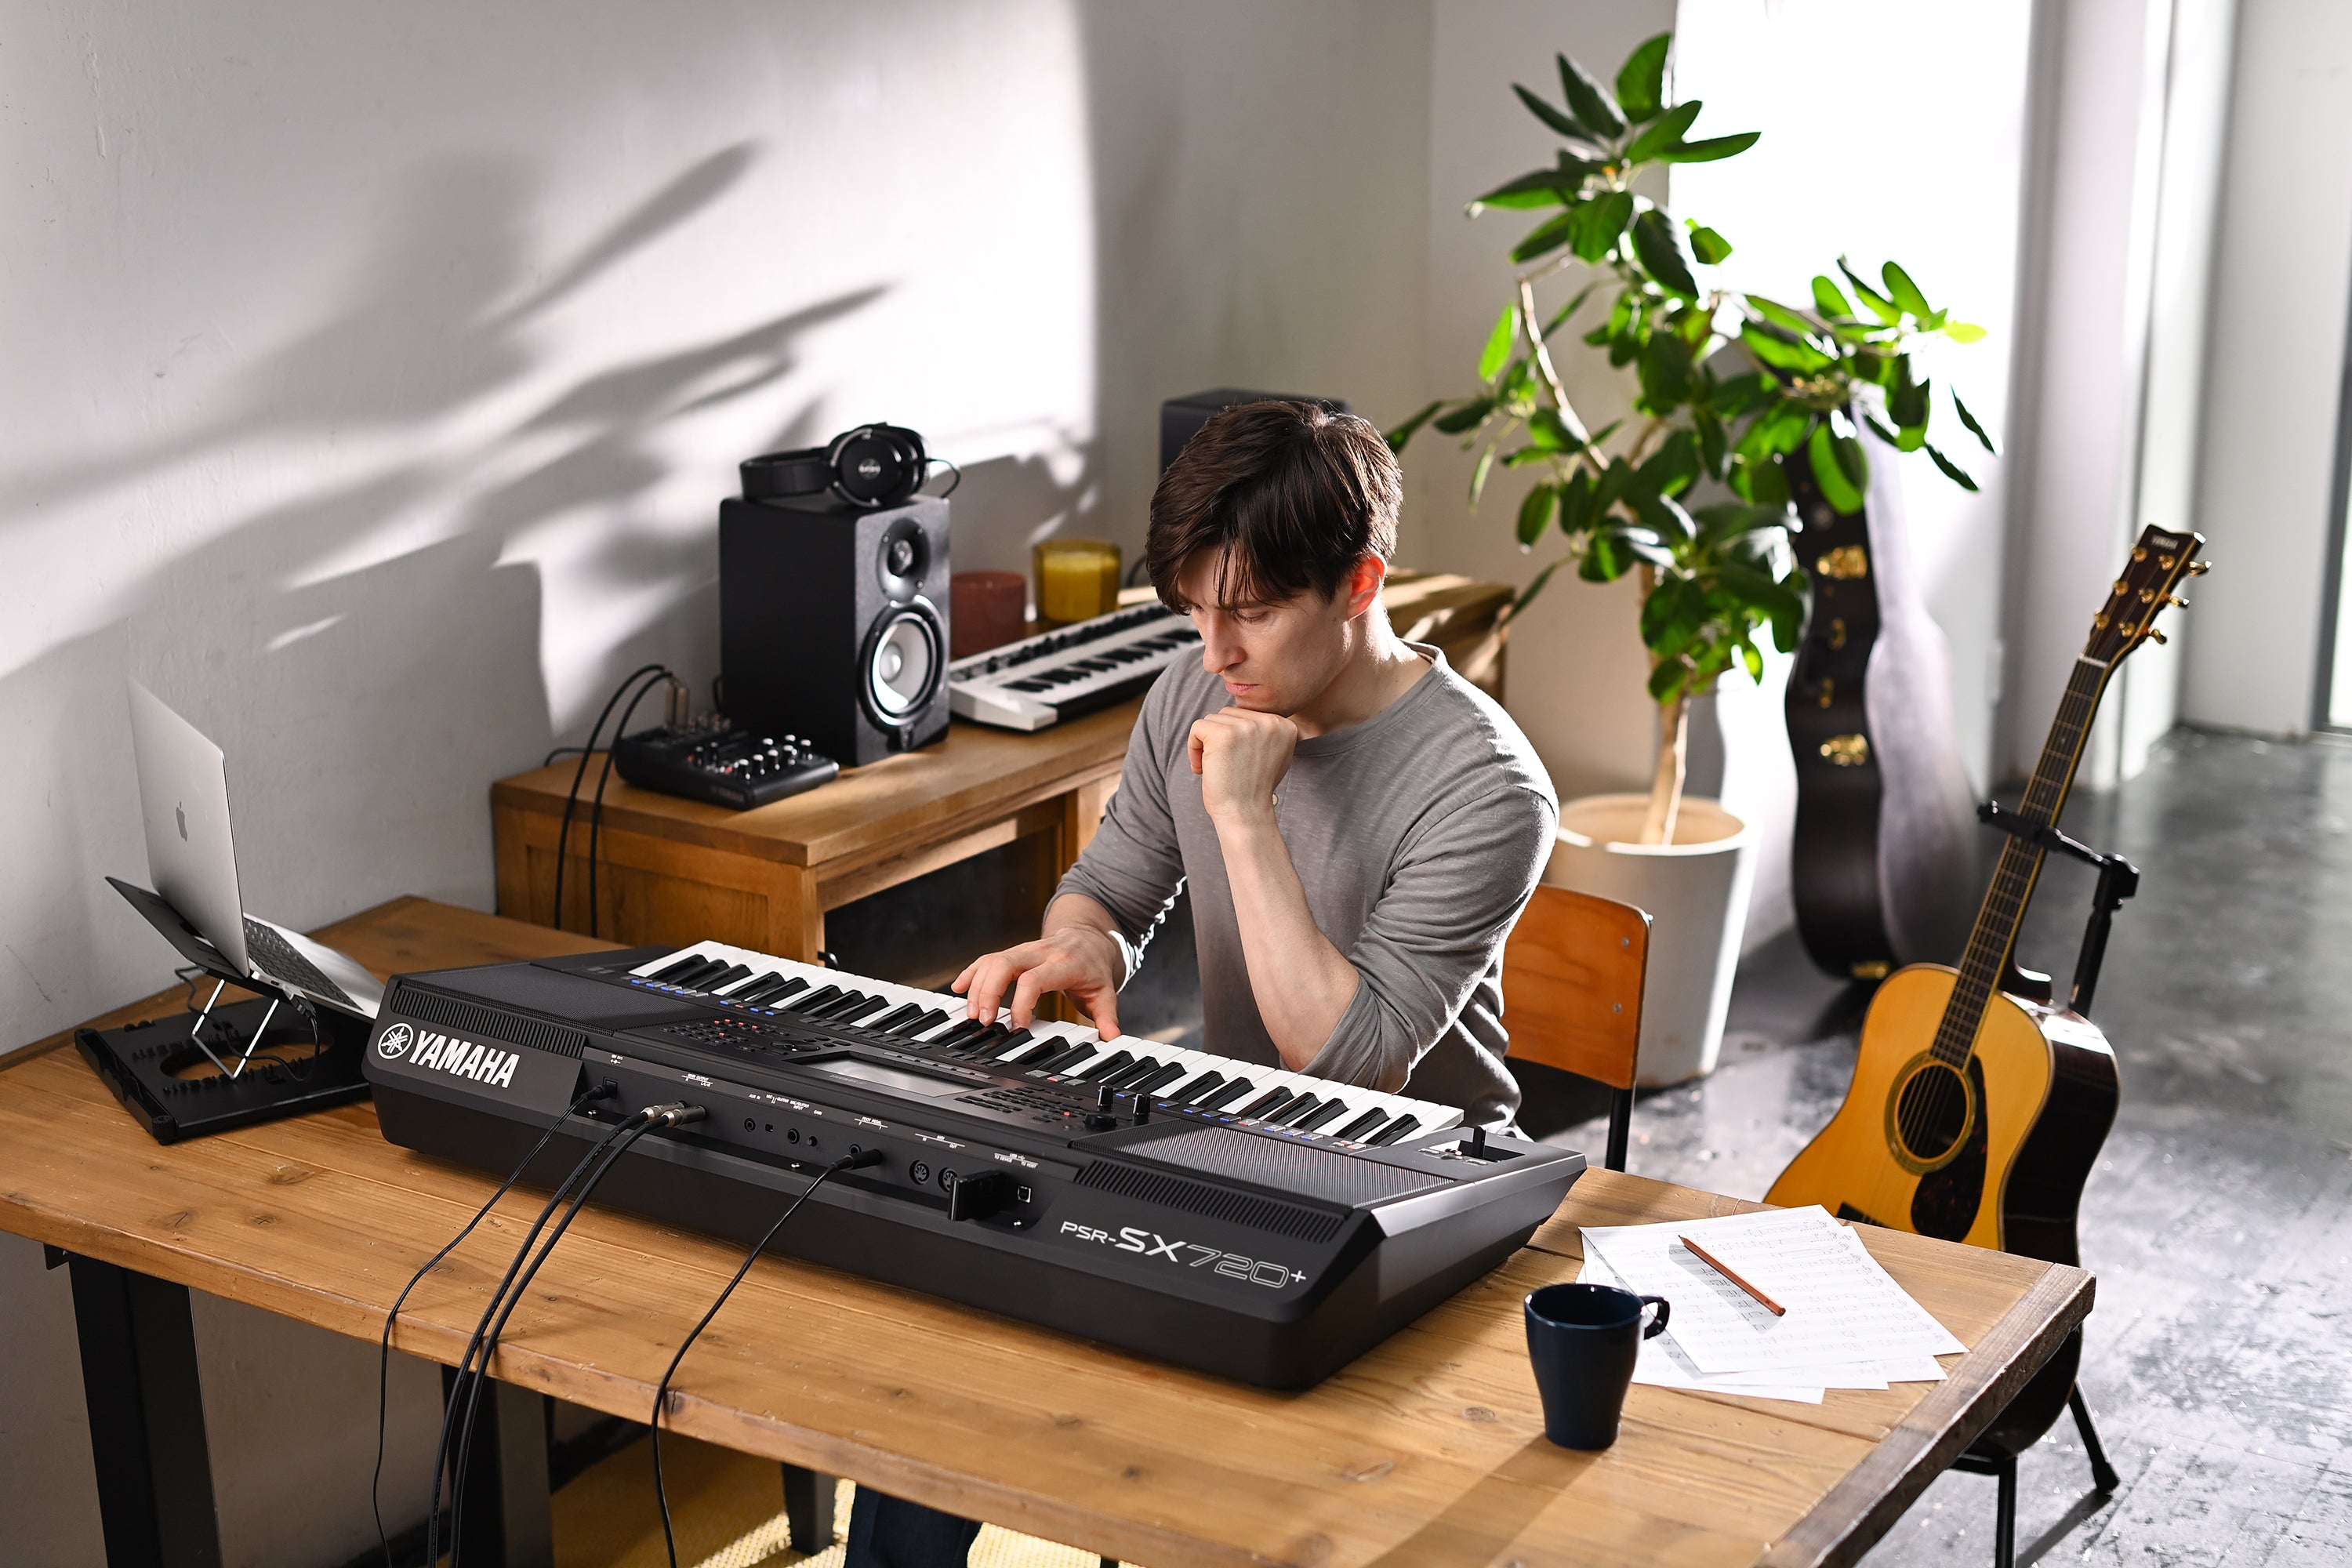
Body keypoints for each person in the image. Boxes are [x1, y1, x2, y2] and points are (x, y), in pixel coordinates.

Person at [843, 399, 1558, 1568]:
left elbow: (1344, 1059)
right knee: (954, 1352)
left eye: (1255, 612)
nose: (1216, 652)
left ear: (1361, 583)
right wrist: (1087, 941)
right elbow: (1109, 886)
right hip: (1235, 1148)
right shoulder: (1196, 688)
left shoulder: (1486, 788)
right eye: (1195, 609)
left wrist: (1242, 812)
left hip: (1419, 1193)